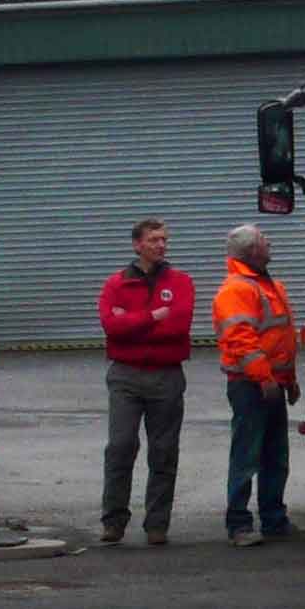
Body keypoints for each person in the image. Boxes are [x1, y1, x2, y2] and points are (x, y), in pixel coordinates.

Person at [96, 218, 193, 547]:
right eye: (153, 240)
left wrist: (132, 323)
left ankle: (157, 524)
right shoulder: (116, 284)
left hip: (166, 375)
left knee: (164, 451)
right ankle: (113, 521)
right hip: (126, 376)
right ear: (137, 244)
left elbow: (178, 326)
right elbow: (112, 326)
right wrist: (152, 317)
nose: (161, 245)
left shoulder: (180, 282)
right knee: (121, 446)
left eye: (164, 239)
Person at [211, 224, 298, 548]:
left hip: (269, 384)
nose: (270, 242)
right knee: (247, 455)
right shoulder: (238, 290)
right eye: (264, 241)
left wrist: (288, 381)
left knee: (275, 455)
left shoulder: (267, 285)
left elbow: (281, 340)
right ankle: (239, 525)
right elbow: (241, 341)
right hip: (251, 386)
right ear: (251, 252)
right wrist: (265, 379)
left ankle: (274, 519)